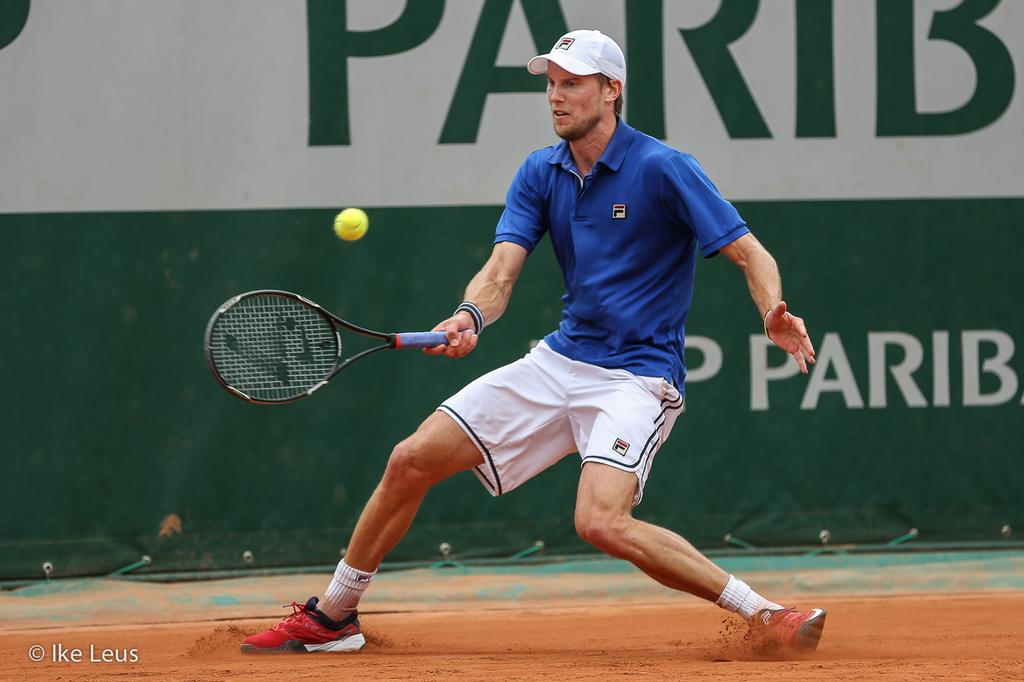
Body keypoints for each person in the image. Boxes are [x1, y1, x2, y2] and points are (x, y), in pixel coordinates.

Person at [241, 29, 823, 655]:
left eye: (572, 83)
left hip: (637, 375)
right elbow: (500, 273)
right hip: (560, 360)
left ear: (612, 90)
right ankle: (334, 616)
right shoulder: (540, 172)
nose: (556, 96)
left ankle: (764, 613)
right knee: (410, 460)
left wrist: (772, 310)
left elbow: (750, 253)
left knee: (600, 522)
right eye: (550, 84)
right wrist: (469, 315)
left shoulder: (664, 168)